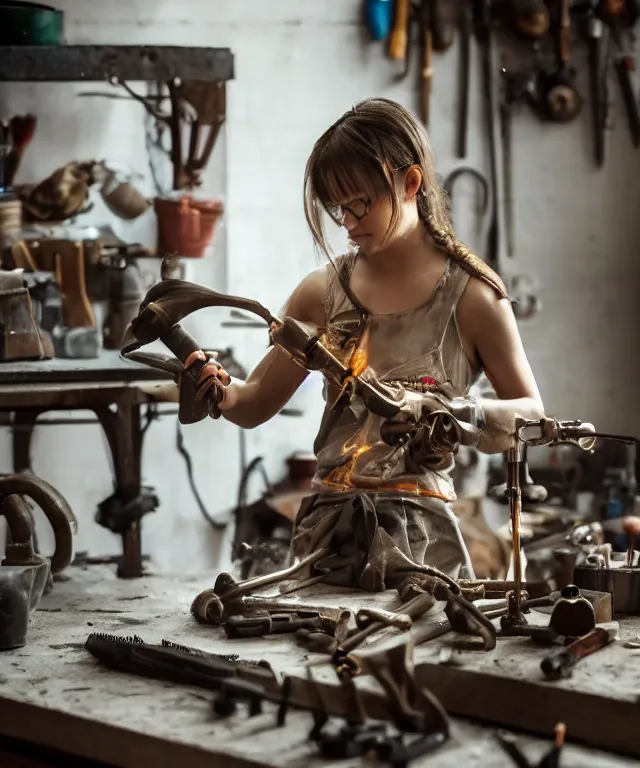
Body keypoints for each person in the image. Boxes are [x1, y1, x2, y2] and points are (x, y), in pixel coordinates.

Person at [157, 98, 545, 598]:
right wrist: (218, 389)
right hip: (327, 535)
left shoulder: (472, 297)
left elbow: (532, 416)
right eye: (337, 207)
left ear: (410, 183)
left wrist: (450, 413)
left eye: (361, 202)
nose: (346, 221)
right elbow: (253, 403)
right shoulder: (321, 293)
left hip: (423, 543)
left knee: (427, 657)